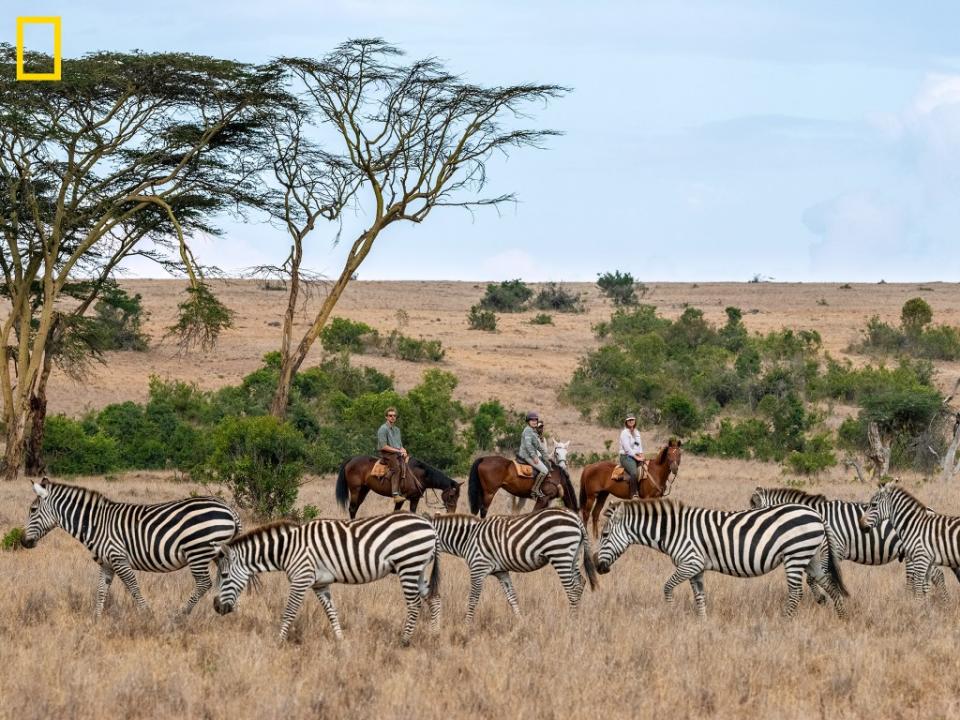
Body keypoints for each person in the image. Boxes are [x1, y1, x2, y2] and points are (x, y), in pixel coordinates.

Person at [377, 407, 408, 498]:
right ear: (386, 417)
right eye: (390, 415)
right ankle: (395, 493)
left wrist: (404, 450)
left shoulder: (397, 430)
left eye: (394, 416)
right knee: (396, 468)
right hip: (386, 453)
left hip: (396, 452)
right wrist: (398, 451)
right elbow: (384, 446)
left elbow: (400, 444)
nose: (393, 417)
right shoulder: (383, 429)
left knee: (409, 463)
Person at [519, 411, 551, 498]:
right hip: (526, 455)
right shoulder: (528, 431)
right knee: (544, 471)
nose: (534, 422)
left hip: (530, 454)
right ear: (528, 422)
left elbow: (538, 447)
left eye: (535, 420)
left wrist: (546, 456)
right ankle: (535, 490)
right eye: (532, 420)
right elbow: (528, 445)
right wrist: (534, 456)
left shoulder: (533, 432)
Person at [618, 413, 645, 499]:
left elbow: (638, 445)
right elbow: (627, 449)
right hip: (626, 457)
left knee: (646, 468)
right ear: (626, 422)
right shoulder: (624, 433)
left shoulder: (637, 432)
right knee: (634, 472)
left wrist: (641, 454)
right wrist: (636, 457)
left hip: (636, 455)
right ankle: (634, 493)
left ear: (635, 421)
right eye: (629, 420)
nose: (631, 421)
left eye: (632, 419)